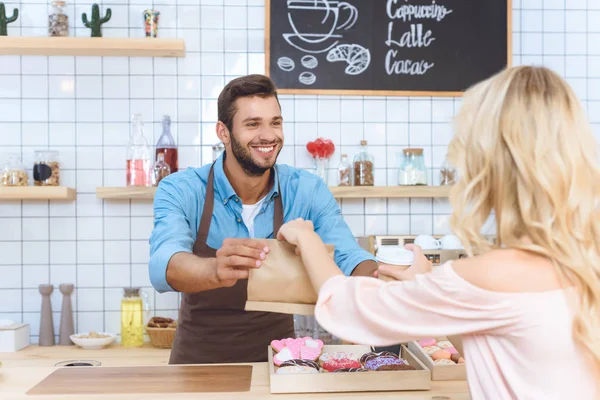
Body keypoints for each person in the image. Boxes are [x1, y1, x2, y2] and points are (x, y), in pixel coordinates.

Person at [275, 66, 600, 399]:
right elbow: (512, 341)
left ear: (490, 163)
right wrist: (429, 285)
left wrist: (308, 239)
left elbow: (349, 311)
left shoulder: (491, 273)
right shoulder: (585, 258)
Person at [148, 74, 378, 364]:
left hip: (282, 363)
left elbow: (349, 255)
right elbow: (164, 264)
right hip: (197, 363)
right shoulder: (181, 189)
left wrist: (376, 283)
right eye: (253, 124)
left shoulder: (306, 190)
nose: (268, 135)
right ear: (224, 132)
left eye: (275, 122)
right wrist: (215, 270)